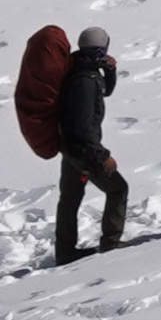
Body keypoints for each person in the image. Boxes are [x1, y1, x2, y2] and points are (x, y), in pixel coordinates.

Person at [55, 25, 126, 263]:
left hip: (70, 149)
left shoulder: (79, 69)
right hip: (85, 151)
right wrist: (101, 155)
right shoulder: (86, 80)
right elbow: (84, 125)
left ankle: (65, 252)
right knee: (118, 189)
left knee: (70, 199)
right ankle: (111, 243)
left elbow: (106, 90)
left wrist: (110, 71)